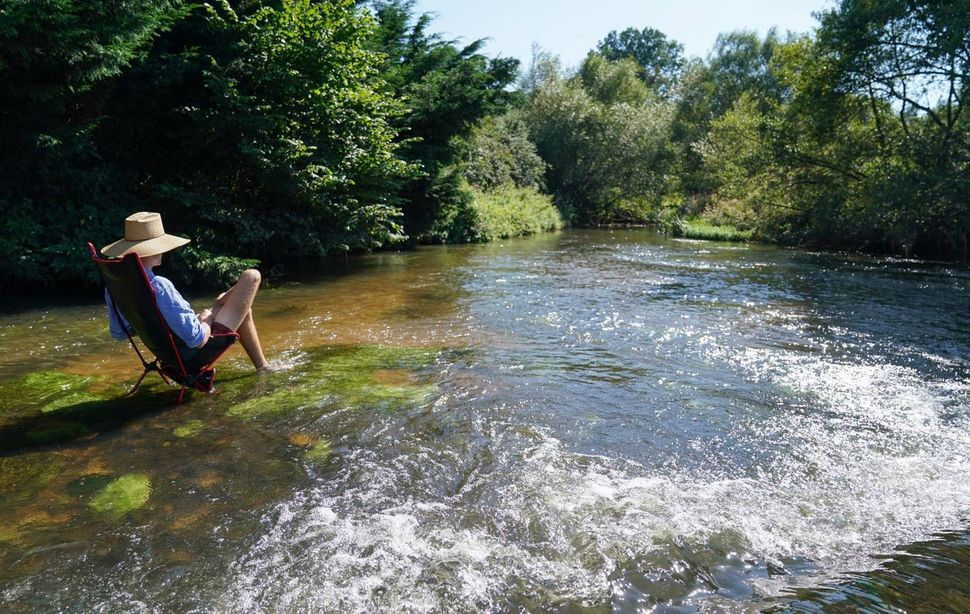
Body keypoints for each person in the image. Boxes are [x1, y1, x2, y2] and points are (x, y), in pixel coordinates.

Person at [102, 211, 273, 372]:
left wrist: (150, 325)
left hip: (169, 355)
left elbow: (119, 333)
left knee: (243, 308)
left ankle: (262, 366)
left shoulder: (116, 287)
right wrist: (207, 319)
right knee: (252, 276)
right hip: (193, 356)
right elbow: (197, 340)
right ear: (152, 249)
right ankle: (221, 304)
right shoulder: (159, 286)